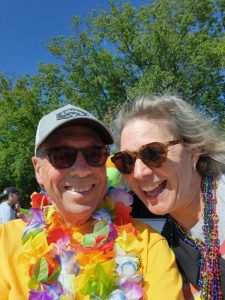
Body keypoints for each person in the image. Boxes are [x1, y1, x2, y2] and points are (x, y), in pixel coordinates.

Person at [0, 104, 183, 300]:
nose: (82, 169)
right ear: (38, 170)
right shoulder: (4, 243)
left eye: (94, 154)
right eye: (62, 156)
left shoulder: (147, 244)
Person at [111, 94, 225, 300]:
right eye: (126, 160)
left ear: (194, 150)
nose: (139, 172)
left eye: (153, 153)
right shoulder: (162, 242)